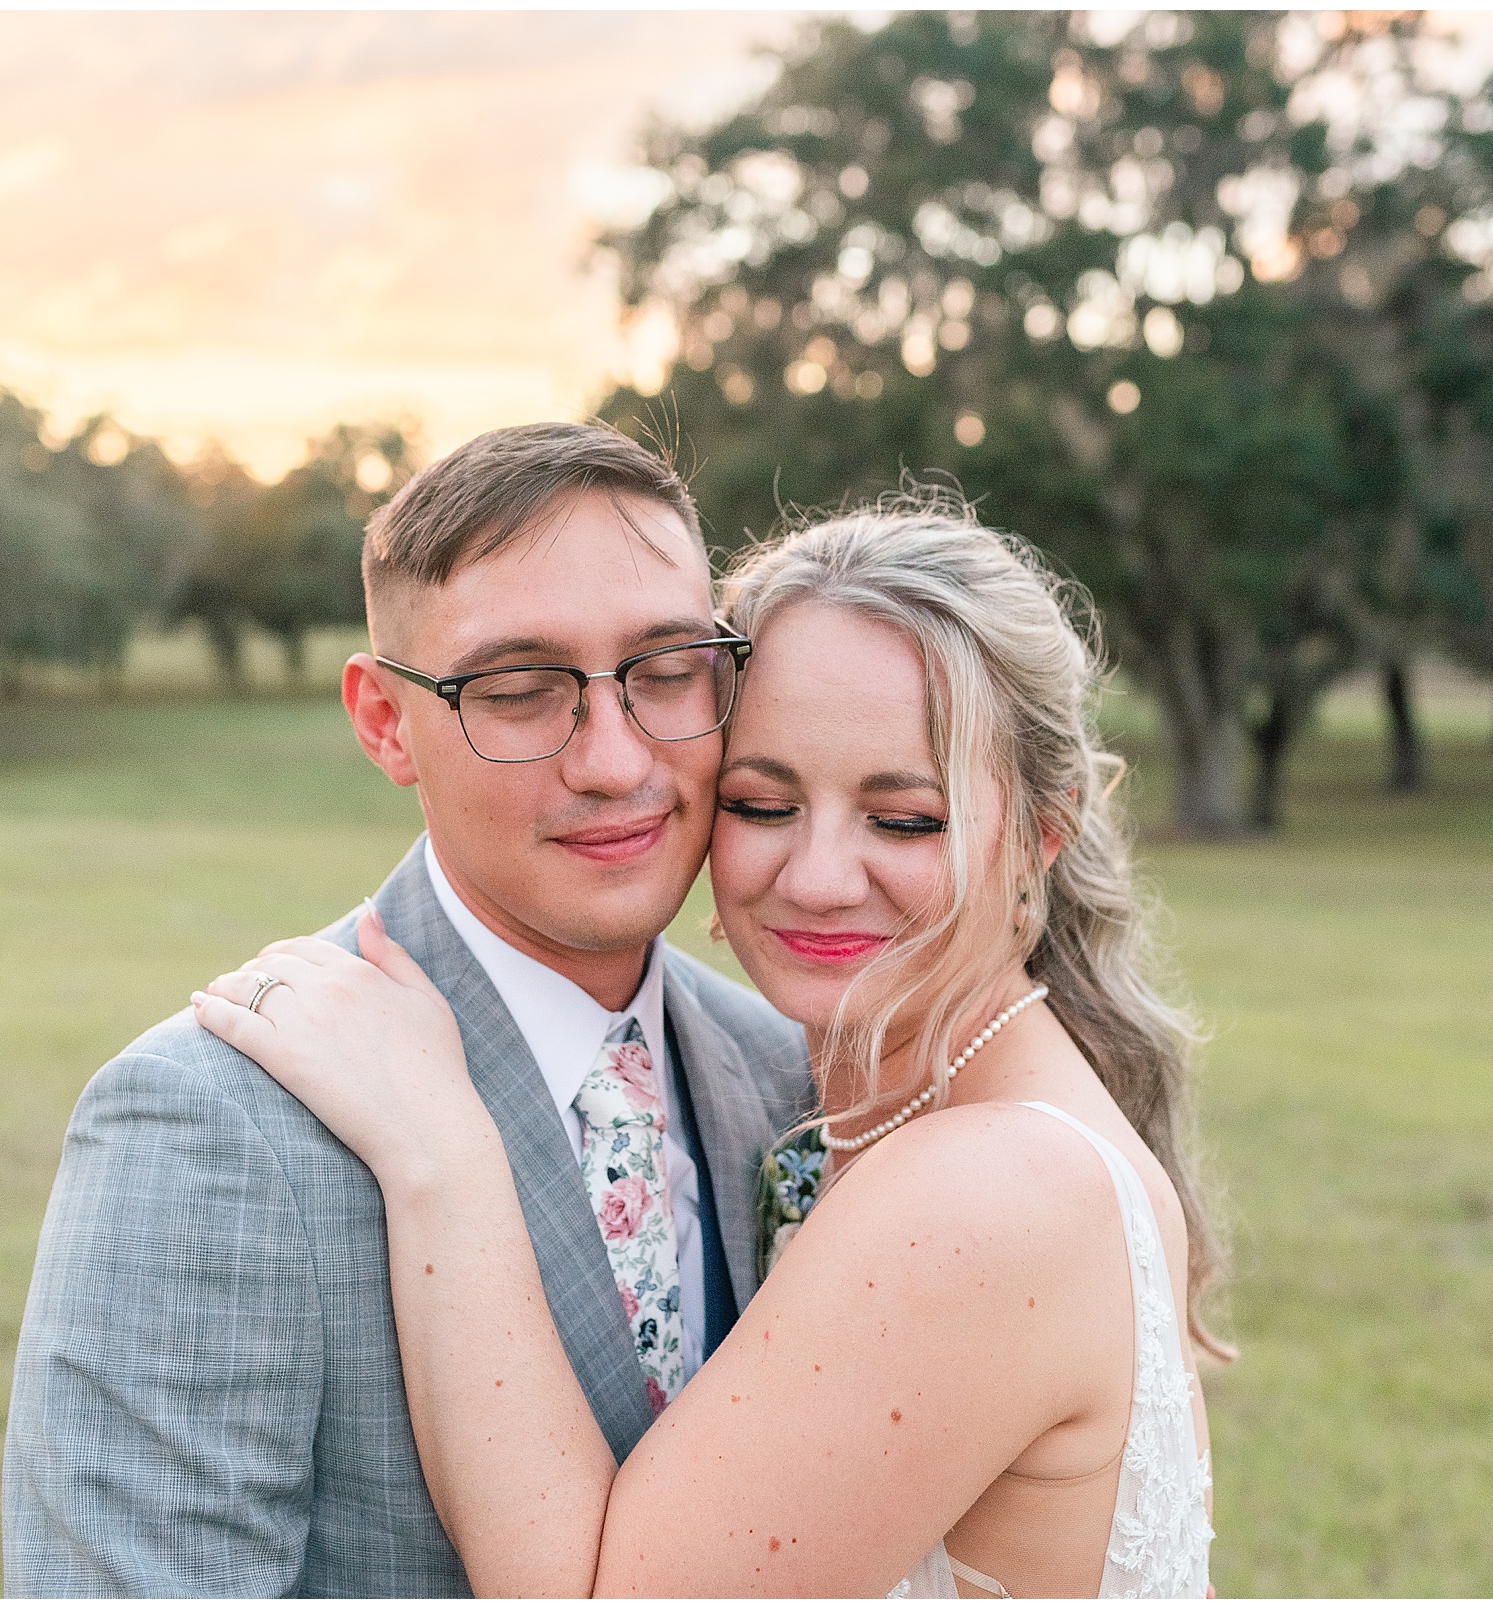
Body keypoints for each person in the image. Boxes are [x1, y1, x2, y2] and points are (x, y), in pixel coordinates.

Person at [194, 498, 1230, 1598]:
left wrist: (444, 1155)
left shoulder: (990, 1188)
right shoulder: (893, 1101)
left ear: (1042, 830)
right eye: (762, 802)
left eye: (905, 819)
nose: (820, 876)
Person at [1, 423, 814, 1596]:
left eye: (669, 668)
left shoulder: (786, 1069)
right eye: (521, 690)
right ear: (386, 721)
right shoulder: (205, 1126)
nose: (616, 759)